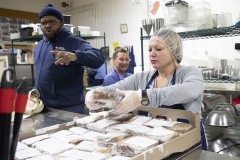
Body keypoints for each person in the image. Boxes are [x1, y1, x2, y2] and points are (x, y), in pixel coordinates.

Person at [85, 29, 207, 150]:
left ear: (173, 50)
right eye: (150, 49)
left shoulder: (190, 73)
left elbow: (189, 90)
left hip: (188, 145)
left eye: (158, 49)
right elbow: (114, 89)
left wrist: (143, 97)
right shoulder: (143, 77)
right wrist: (95, 95)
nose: (152, 53)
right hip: (156, 145)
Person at [34, 4, 105, 114]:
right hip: (42, 106)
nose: (47, 25)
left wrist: (75, 55)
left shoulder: (73, 41)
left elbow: (99, 57)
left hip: (69, 108)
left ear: (62, 24)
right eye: (44, 23)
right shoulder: (40, 45)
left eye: (52, 22)